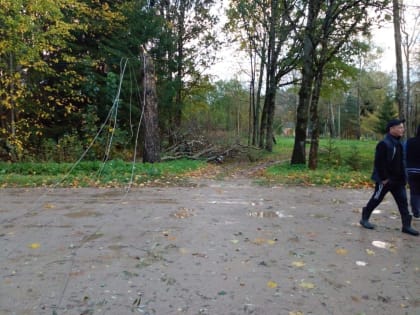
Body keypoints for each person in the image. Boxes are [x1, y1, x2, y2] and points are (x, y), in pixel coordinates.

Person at [359, 118, 419, 236]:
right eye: (400, 127)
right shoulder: (384, 144)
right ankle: (364, 218)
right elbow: (379, 163)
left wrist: (404, 178)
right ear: (391, 129)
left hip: (398, 181)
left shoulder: (400, 143)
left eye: (402, 127)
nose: (403, 129)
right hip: (386, 180)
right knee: (376, 199)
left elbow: (402, 162)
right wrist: (384, 178)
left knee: (403, 202)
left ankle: (406, 226)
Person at [405, 124, 420, 220]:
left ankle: (416, 212)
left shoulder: (409, 141)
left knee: (414, 191)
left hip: (411, 170)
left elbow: (404, 154)